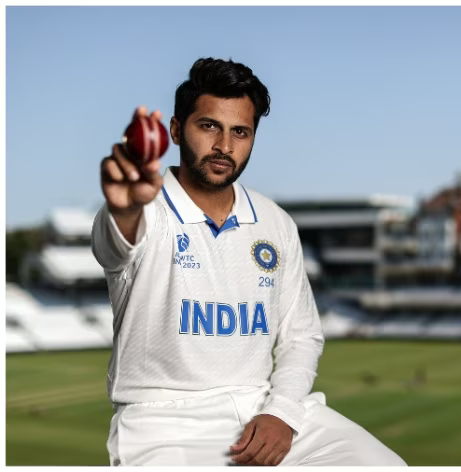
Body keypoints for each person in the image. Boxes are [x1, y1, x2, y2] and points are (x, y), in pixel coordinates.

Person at [92, 57, 406, 467]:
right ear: (174, 130)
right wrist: (123, 208)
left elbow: (302, 336)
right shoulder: (143, 209)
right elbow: (115, 246)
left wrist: (281, 412)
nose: (224, 145)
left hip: (263, 408)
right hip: (164, 421)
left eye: (240, 131)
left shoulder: (275, 221)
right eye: (209, 126)